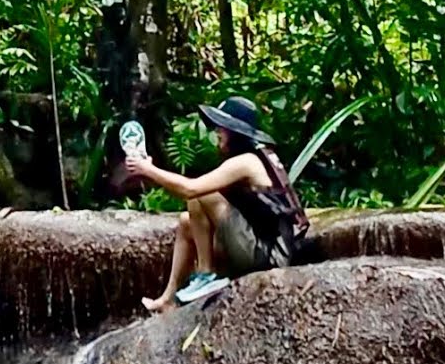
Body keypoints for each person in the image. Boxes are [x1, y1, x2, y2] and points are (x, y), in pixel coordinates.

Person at [125, 96, 308, 313]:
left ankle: (206, 274)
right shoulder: (254, 157)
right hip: (258, 246)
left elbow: (190, 189)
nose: (217, 133)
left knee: (200, 195)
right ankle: (167, 299)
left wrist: (149, 171)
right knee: (186, 222)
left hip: (269, 256)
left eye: (222, 129)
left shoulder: (246, 162)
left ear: (235, 132)